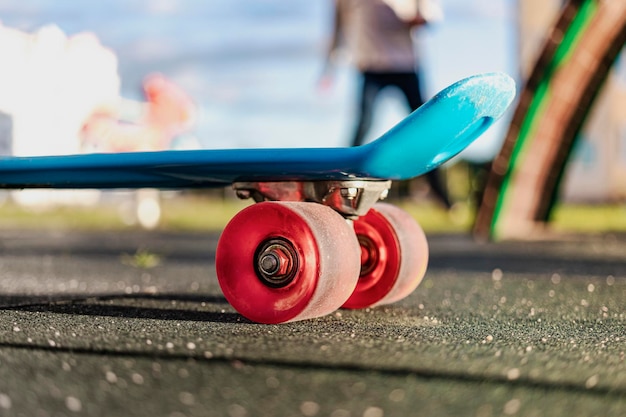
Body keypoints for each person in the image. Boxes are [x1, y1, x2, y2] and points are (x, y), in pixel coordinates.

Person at [321, 0, 451, 208]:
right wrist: (329, 68)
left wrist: (421, 19)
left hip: (405, 65)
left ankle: (442, 194)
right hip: (371, 66)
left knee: (424, 129)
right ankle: (342, 185)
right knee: (363, 127)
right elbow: (338, 29)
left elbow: (430, 15)